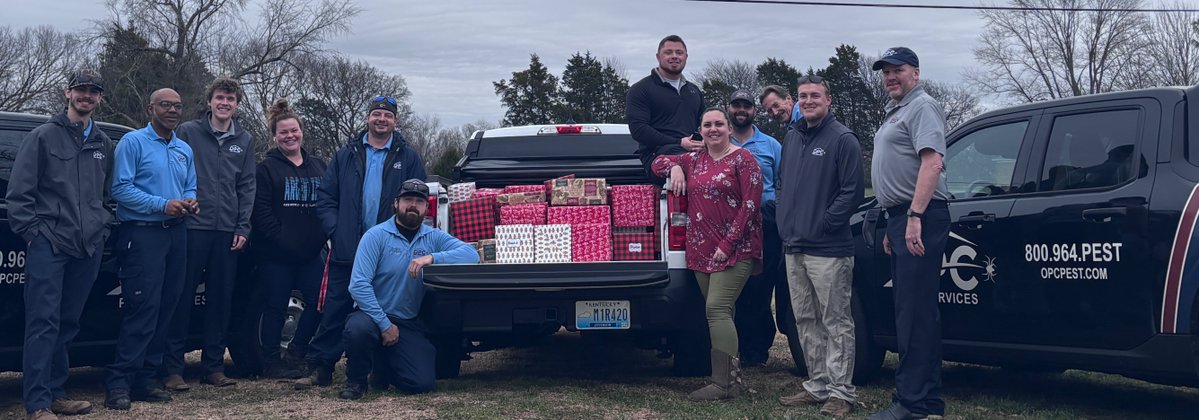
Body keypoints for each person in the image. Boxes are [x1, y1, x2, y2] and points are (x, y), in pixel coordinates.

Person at [295, 95, 427, 389]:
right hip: (348, 248)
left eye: (388, 115)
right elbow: (326, 198)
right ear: (368, 118)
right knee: (335, 309)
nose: (382, 119)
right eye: (377, 114)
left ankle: (379, 368)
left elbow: (419, 202)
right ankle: (321, 368)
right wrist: (335, 231)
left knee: (383, 309)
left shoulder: (408, 158)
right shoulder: (346, 155)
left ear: (395, 121)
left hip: (389, 251)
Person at [9, 70, 114, 420]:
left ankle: (56, 393)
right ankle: (38, 403)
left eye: (93, 91)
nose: (86, 96)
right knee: (43, 323)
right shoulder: (42, 137)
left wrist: (101, 229)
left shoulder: (102, 143)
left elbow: (106, 197)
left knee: (68, 323)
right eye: (81, 89)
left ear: (99, 98)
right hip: (50, 245)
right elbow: (19, 195)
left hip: (87, 247)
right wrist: (35, 235)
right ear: (68, 93)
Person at [652, 107, 763, 401]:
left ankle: (723, 384)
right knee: (724, 311)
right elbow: (656, 162)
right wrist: (674, 168)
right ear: (700, 131)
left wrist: (727, 244)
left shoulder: (744, 160)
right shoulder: (694, 160)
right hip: (700, 250)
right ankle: (732, 379)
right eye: (707, 125)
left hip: (735, 249)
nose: (713, 129)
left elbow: (750, 206)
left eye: (719, 124)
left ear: (729, 128)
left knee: (716, 309)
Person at [867, 47, 951, 420]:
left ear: (915, 73)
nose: (890, 77)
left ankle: (912, 402)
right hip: (903, 216)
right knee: (916, 310)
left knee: (913, 312)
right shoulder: (898, 111)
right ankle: (928, 399)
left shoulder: (922, 106)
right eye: (885, 72)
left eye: (897, 70)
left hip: (922, 215)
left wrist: (915, 215)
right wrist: (895, 221)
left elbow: (932, 162)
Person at [338, 179, 479, 400]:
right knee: (358, 329)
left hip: (406, 321)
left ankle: (382, 368)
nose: (413, 205)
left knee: (422, 383)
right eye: (407, 200)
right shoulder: (375, 236)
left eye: (419, 201)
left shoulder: (432, 237)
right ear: (396, 204)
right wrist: (385, 325)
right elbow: (358, 285)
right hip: (372, 316)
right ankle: (356, 382)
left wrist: (433, 258)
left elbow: (472, 255)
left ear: (426, 208)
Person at [775, 75, 864, 417]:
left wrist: (824, 223)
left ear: (829, 100)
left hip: (829, 249)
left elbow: (852, 192)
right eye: (803, 96)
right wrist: (785, 219)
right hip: (794, 245)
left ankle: (841, 392)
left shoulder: (843, 139)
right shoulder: (793, 136)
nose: (809, 101)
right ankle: (818, 385)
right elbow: (782, 183)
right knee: (805, 318)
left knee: (836, 321)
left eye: (815, 95)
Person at [105, 88, 198, 410]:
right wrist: (162, 204)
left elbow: (190, 185)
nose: (172, 110)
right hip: (142, 235)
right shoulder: (132, 142)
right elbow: (120, 188)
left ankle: (147, 378)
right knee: (142, 309)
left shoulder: (184, 148)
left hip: (177, 234)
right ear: (151, 109)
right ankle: (119, 382)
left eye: (177, 106)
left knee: (166, 307)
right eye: (165, 105)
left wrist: (190, 201)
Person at [162, 77, 256, 390]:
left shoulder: (245, 139)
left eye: (230, 99)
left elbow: (247, 186)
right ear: (210, 102)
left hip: (227, 230)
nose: (224, 103)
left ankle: (213, 367)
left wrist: (243, 226)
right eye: (219, 98)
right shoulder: (188, 132)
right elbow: (173, 171)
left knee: (220, 299)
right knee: (181, 298)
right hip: (192, 227)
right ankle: (172, 369)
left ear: (237, 105)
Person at [251, 98, 328, 379]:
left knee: (320, 302)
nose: (290, 136)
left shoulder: (319, 166)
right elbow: (260, 212)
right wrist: (282, 239)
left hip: (311, 254)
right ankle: (271, 361)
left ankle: (297, 351)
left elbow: (329, 203)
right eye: (283, 132)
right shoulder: (266, 169)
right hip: (276, 255)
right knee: (275, 306)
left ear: (302, 132)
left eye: (294, 130)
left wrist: (323, 235)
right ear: (274, 136)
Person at [724, 90, 784, 368]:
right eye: (736, 105)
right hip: (727, 226)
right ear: (728, 109)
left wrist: (775, 211)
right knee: (735, 288)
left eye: (746, 106)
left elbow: (784, 182)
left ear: (754, 112)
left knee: (760, 287)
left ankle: (757, 349)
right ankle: (734, 346)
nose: (741, 110)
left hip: (765, 224)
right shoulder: (719, 142)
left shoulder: (771, 145)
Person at [627, 34, 706, 186]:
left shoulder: (694, 91)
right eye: (668, 52)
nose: (674, 56)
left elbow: (704, 125)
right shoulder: (641, 89)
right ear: (658, 57)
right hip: (659, 156)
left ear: (686, 57)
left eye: (679, 52)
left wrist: (704, 141)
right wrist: (679, 142)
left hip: (695, 153)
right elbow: (639, 130)